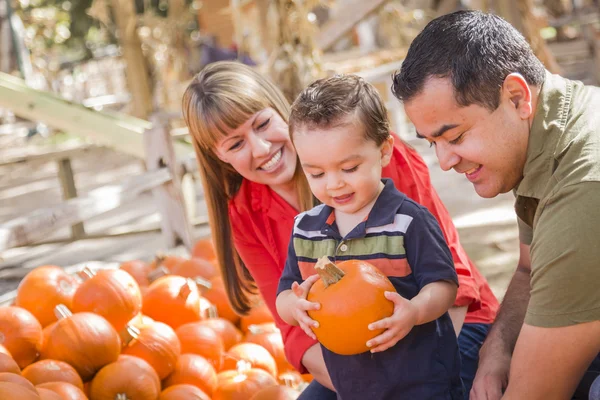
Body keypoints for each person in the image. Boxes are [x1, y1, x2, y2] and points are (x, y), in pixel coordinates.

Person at [182, 61, 498, 398]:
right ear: (219, 159)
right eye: (235, 145)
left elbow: (453, 283)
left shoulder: (372, 160)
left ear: (281, 112)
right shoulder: (245, 214)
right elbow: (295, 332)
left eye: (262, 124)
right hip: (355, 369)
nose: (261, 149)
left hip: (446, 332)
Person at [392, 10, 600, 400]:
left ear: (517, 97)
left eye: (454, 136)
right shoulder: (547, 129)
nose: (445, 161)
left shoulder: (584, 189)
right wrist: (495, 349)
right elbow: (528, 267)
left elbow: (535, 393)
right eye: (431, 142)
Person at [275, 74, 463, 399]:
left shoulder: (408, 221)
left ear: (384, 151)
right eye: (316, 173)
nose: (333, 184)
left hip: (421, 383)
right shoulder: (305, 230)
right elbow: (283, 294)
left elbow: (443, 285)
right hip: (354, 387)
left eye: (349, 168)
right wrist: (295, 305)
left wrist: (415, 310)